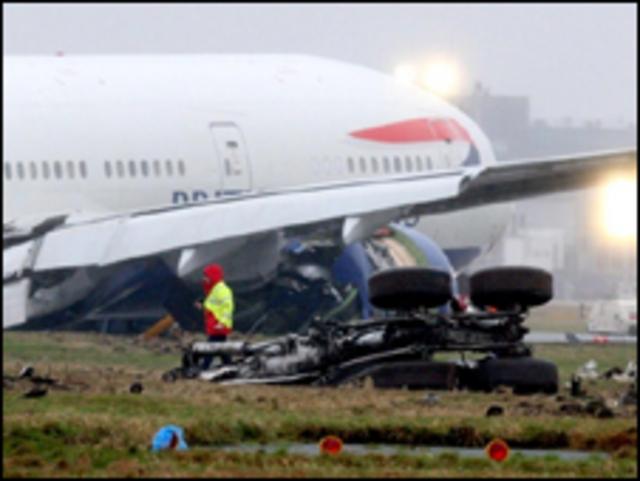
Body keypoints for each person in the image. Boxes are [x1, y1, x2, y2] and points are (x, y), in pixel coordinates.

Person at [195, 264, 234, 369]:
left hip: (219, 325)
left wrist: (222, 323)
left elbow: (227, 307)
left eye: (206, 276)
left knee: (211, 347)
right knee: (221, 348)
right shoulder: (214, 290)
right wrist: (203, 304)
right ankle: (229, 366)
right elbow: (213, 305)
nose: (204, 279)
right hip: (215, 324)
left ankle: (204, 367)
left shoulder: (221, 290)